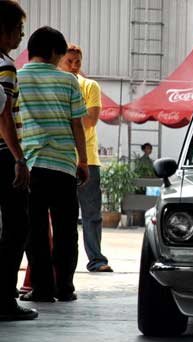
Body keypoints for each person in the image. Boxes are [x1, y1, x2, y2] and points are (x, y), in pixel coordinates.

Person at [18, 26, 89, 303]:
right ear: (52, 53)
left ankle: (43, 289)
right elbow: (77, 124)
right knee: (66, 231)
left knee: (34, 231)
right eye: (60, 56)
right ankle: (65, 287)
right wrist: (83, 161)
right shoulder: (69, 81)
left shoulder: (16, 77)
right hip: (63, 166)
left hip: (30, 165)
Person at [59, 44, 113, 273]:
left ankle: (96, 260)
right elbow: (85, 118)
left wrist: (66, 118)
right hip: (61, 159)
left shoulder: (90, 85)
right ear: (60, 61)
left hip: (88, 158)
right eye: (69, 61)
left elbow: (91, 121)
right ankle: (60, 262)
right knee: (62, 216)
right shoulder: (57, 85)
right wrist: (76, 117)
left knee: (91, 214)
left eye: (78, 62)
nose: (74, 66)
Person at [0, 0, 37, 321]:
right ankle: (4, 300)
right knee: (16, 227)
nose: (20, 36)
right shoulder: (5, 66)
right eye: (18, 30)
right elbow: (4, 118)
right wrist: (19, 160)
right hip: (3, 156)